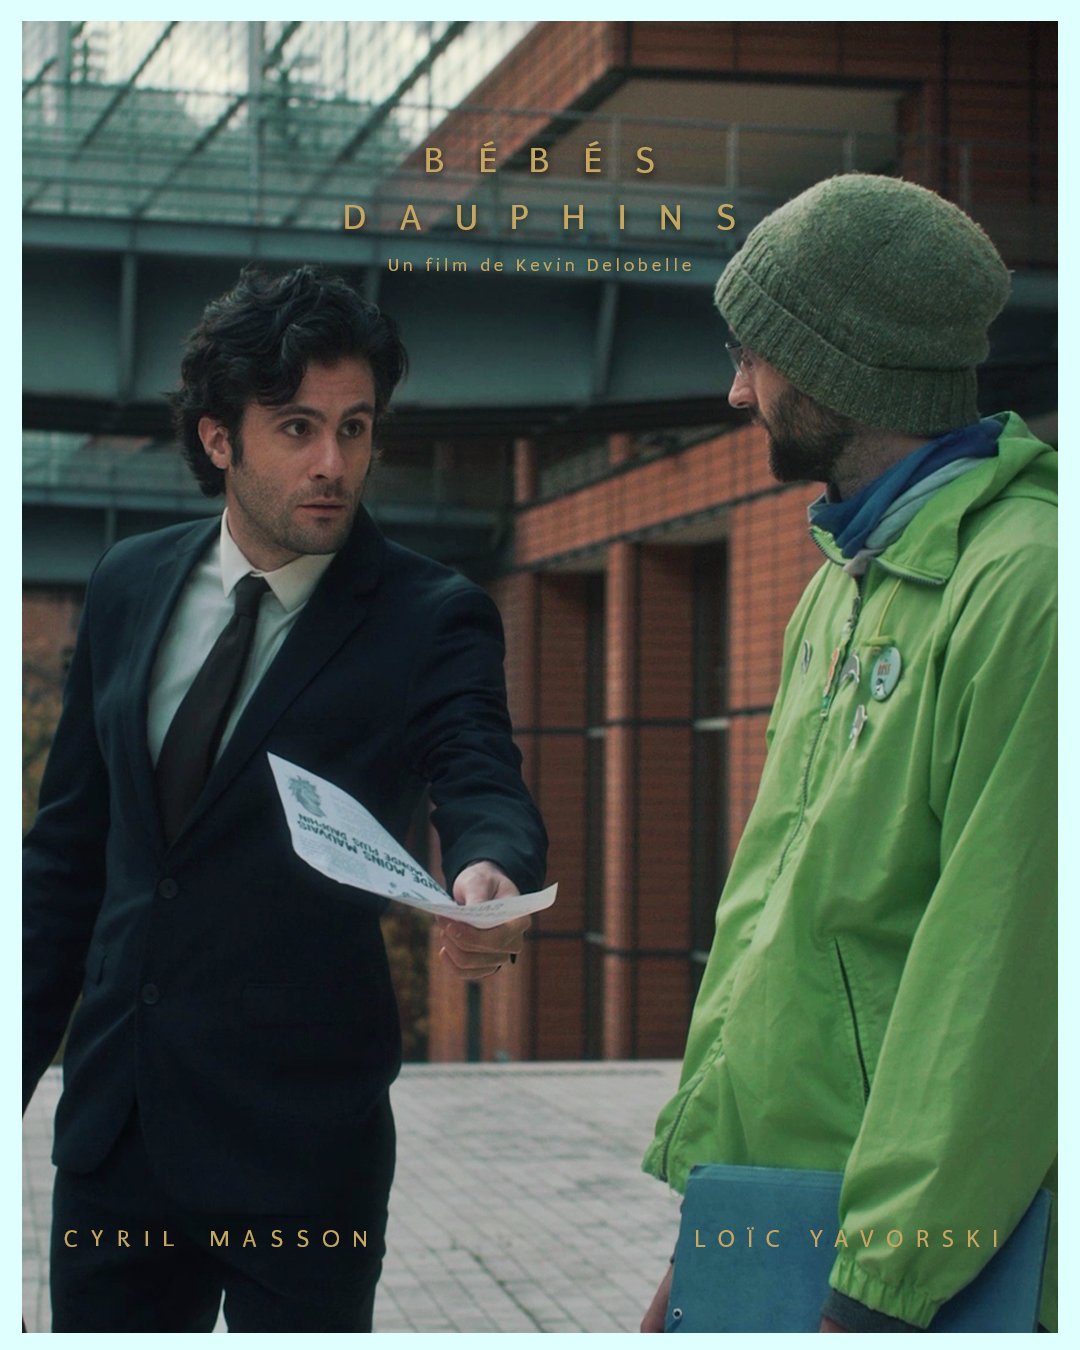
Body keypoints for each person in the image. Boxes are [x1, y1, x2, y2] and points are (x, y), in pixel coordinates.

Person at [23, 264, 548, 1333]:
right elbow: (69, 857)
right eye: (298, 427)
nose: (332, 464)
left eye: (355, 429)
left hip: (303, 1147)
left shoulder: (428, 614)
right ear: (219, 439)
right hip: (117, 1138)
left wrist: (491, 865)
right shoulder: (128, 586)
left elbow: (479, 768)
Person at [640, 174, 1056, 1332]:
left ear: (839, 366)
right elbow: (772, 930)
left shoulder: (1029, 590)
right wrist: (706, 1233)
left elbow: (1000, 981)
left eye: (754, 354)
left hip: (906, 1269)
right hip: (779, 1224)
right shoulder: (845, 584)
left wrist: (883, 1287)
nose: (737, 390)